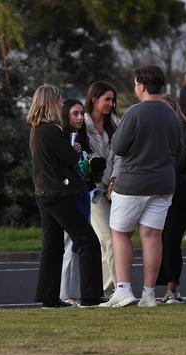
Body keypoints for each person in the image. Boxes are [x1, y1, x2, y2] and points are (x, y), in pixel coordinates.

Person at [100, 65, 181, 308]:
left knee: (120, 233)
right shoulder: (170, 113)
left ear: (142, 85)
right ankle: (149, 294)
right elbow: (177, 147)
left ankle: (123, 288)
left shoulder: (135, 112)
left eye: (136, 84)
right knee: (152, 236)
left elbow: (119, 147)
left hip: (134, 181)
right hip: (164, 182)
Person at [28, 84, 104, 308]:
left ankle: (49, 298)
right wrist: (75, 150)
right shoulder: (52, 130)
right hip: (59, 193)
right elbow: (70, 159)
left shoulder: (36, 128)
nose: (62, 103)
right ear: (51, 101)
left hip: (44, 191)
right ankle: (91, 296)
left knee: (52, 245)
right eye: (59, 99)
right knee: (88, 241)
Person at [156, 94, 186, 304]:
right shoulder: (155, 134)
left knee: (171, 240)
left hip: (180, 196)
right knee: (158, 240)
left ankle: (172, 287)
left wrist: (179, 183)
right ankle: (161, 287)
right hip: (157, 195)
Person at [84, 81, 119, 299]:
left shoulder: (115, 122)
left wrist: (113, 181)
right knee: (107, 238)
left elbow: (119, 155)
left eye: (112, 99)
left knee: (109, 238)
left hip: (112, 188)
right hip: (90, 190)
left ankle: (107, 289)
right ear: (94, 99)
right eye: (107, 99)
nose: (111, 103)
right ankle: (116, 288)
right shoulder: (82, 123)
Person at [58, 99, 91, 305]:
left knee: (80, 245)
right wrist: (73, 152)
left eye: (81, 113)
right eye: (75, 114)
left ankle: (76, 292)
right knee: (70, 243)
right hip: (68, 195)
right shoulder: (61, 137)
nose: (79, 118)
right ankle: (65, 294)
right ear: (66, 115)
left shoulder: (82, 137)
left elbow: (85, 168)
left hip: (84, 194)